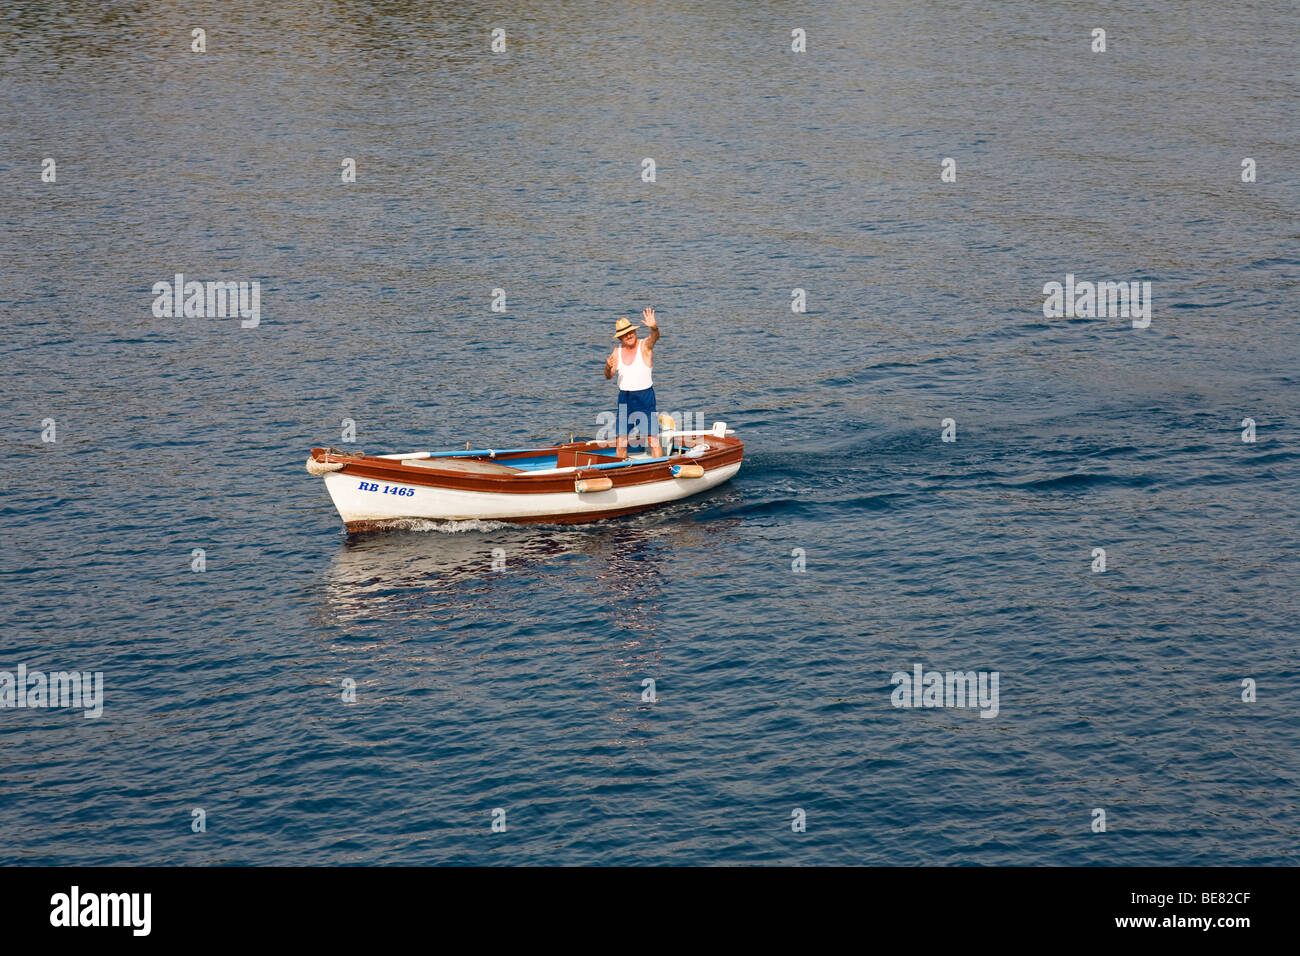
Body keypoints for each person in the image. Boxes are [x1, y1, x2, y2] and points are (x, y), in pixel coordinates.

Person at [604, 307, 662, 459]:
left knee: (652, 439)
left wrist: (653, 327)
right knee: (621, 440)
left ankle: (660, 468)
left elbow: (655, 337)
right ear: (620, 338)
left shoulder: (645, 346)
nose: (629, 335)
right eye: (624, 334)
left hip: (645, 397)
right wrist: (608, 367)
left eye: (630, 332)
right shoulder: (617, 351)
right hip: (625, 399)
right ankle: (620, 471)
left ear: (635, 332)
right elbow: (609, 376)